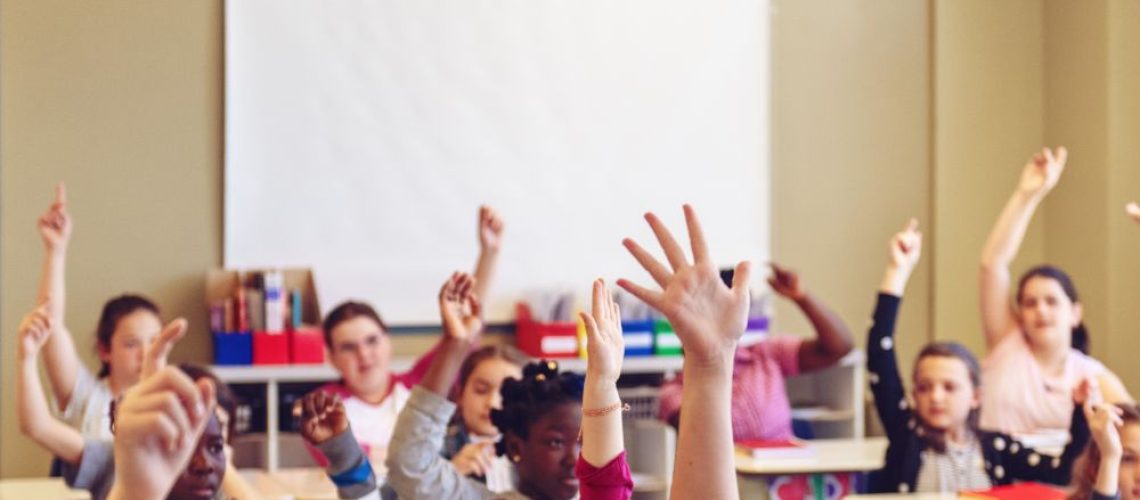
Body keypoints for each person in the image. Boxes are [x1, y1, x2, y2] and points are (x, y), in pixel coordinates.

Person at [868, 218, 1090, 493]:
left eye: (950, 387)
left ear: (975, 396)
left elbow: (1063, 473)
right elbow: (880, 355)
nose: (936, 397)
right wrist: (896, 272)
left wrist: (1080, 412)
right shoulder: (907, 436)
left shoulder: (995, 448)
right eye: (925, 387)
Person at [979, 147, 1130, 436]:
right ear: (1020, 314)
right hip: (998, 480)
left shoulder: (1095, 377)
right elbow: (992, 265)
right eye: (1030, 303)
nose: (1041, 310)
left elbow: (1132, 433)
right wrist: (1027, 195)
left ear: (1075, 313)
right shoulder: (1006, 345)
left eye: (1051, 301)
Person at [657, 261, 853, 441]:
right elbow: (702, 435)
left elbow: (838, 347)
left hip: (783, 471)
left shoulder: (765, 354)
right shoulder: (675, 390)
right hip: (726, 476)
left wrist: (802, 297)